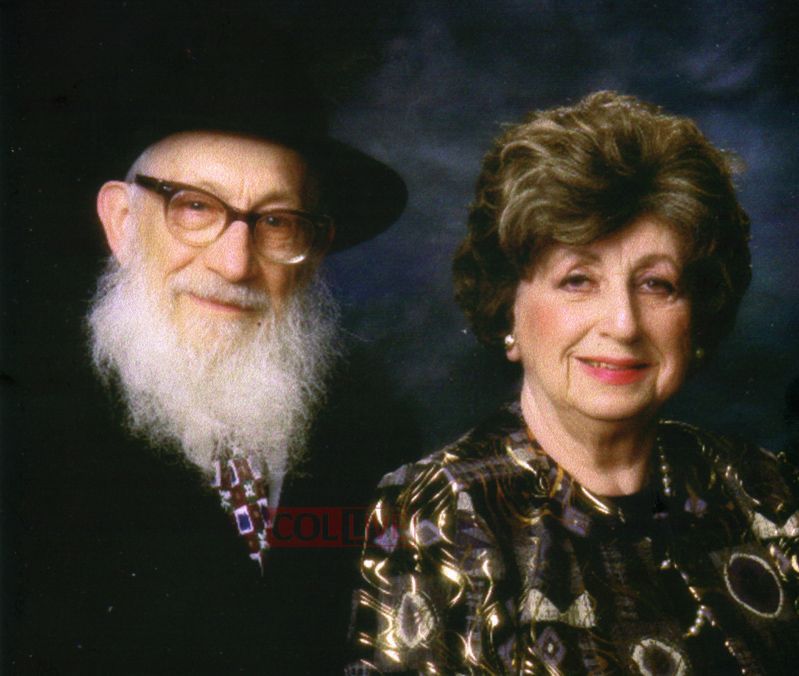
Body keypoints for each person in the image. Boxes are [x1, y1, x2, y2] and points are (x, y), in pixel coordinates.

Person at [8, 12, 411, 675]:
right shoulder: (25, 429)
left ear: (314, 250)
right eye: (195, 207)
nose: (234, 262)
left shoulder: (376, 437)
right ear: (122, 221)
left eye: (276, 222)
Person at [347, 91, 799, 673]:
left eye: (657, 284)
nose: (623, 323)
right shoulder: (443, 508)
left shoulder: (766, 489)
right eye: (579, 280)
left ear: (697, 317)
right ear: (507, 306)